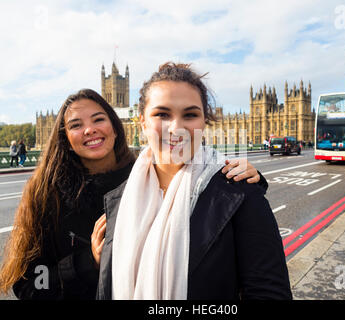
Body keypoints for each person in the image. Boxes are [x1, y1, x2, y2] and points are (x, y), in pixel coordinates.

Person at [0, 89, 265, 300]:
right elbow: (29, 284)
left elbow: (204, 188)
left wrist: (244, 178)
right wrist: (88, 263)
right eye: (76, 125)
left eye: (99, 119)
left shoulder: (148, 175)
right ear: (65, 137)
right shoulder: (46, 195)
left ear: (116, 128)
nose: (90, 129)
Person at [96, 62, 292, 300]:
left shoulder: (241, 193)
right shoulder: (120, 202)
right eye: (162, 114)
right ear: (143, 122)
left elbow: (269, 293)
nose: (176, 127)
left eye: (190, 114)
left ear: (204, 122)